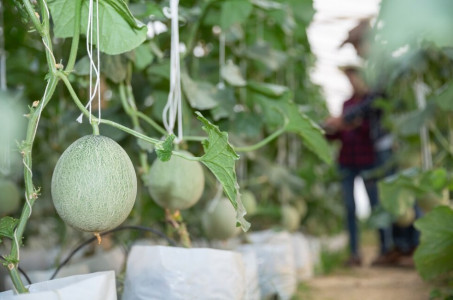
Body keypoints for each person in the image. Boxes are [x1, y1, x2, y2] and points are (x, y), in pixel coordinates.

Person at [324, 65, 392, 266]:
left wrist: (344, 123)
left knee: (375, 205)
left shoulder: (370, 104)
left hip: (367, 160)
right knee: (349, 207)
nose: (352, 82)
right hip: (346, 161)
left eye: (354, 77)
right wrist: (330, 129)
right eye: (349, 78)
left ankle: (385, 250)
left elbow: (366, 128)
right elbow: (339, 132)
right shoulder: (346, 104)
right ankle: (354, 253)